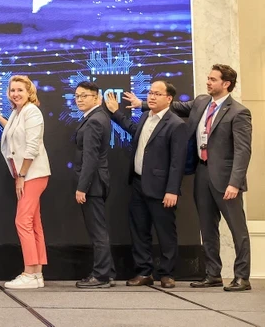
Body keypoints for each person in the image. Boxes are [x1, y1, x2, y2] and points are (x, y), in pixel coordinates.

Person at [125, 64, 253, 291]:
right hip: (201, 172)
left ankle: (242, 276)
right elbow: (172, 105)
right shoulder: (202, 102)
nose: (208, 82)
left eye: (213, 79)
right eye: (208, 78)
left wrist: (235, 182)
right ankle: (213, 274)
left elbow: (243, 151)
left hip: (226, 179)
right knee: (207, 227)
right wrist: (141, 103)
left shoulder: (239, 112)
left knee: (237, 229)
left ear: (226, 84)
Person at [104, 80, 187, 288]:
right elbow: (133, 130)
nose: (151, 97)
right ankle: (144, 272)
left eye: (157, 94)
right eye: (150, 93)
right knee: (139, 230)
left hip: (161, 189)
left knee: (165, 232)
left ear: (169, 98)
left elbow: (178, 162)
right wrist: (115, 113)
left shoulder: (176, 124)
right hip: (139, 183)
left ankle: (167, 274)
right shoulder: (144, 117)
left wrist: (172, 190)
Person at [0, 75, 51, 290]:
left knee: (23, 222)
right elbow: (12, 130)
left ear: (29, 91)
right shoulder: (18, 112)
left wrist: (21, 176)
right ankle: (38, 273)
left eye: (20, 90)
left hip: (32, 174)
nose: (15, 93)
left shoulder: (32, 111)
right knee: (33, 223)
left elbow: (32, 146)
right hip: (26, 174)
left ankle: (29, 272)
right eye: (12, 90)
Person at [73, 81, 116, 289]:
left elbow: (90, 158)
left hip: (93, 183)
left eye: (84, 96)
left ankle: (101, 276)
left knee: (97, 230)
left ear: (97, 98)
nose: (80, 100)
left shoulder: (95, 121)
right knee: (100, 228)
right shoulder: (97, 117)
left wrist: (83, 187)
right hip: (98, 181)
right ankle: (108, 271)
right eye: (77, 96)